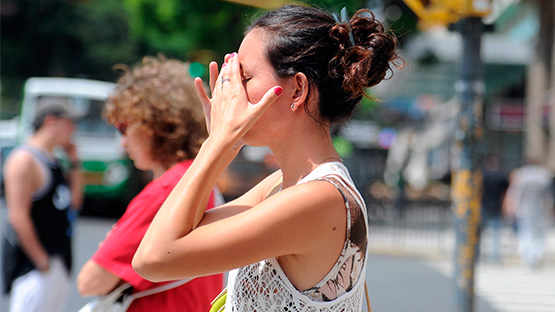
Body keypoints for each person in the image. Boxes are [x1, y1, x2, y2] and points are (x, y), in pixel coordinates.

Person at [133, 5, 401, 311]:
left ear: (298, 89)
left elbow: (153, 259)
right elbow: (184, 232)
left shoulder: (319, 199)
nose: (231, 91)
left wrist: (217, 144)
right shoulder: (281, 186)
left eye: (243, 78)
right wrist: (222, 146)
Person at [76, 55, 224, 312]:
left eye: (124, 128)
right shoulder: (202, 179)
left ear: (153, 124)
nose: (122, 142)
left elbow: (90, 281)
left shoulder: (166, 191)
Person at [2, 100, 83, 312]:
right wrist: (42, 261)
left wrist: (74, 162)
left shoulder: (53, 159)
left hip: (59, 259)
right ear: (50, 121)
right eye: (69, 123)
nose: (73, 130)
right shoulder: (24, 160)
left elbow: (74, 202)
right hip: (35, 267)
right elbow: (18, 216)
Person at [504, 159, 554, 269]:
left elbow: (514, 193)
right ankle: (536, 256)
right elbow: (548, 195)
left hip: (524, 209)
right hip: (540, 209)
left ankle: (527, 257)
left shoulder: (521, 174)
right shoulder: (544, 175)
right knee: (539, 234)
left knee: (526, 232)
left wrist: (511, 207)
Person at [480, 155, 509, 263]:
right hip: (497, 207)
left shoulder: (483, 175)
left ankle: (478, 255)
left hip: (484, 206)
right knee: (496, 234)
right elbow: (505, 193)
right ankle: (495, 258)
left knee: (479, 234)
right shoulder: (501, 176)